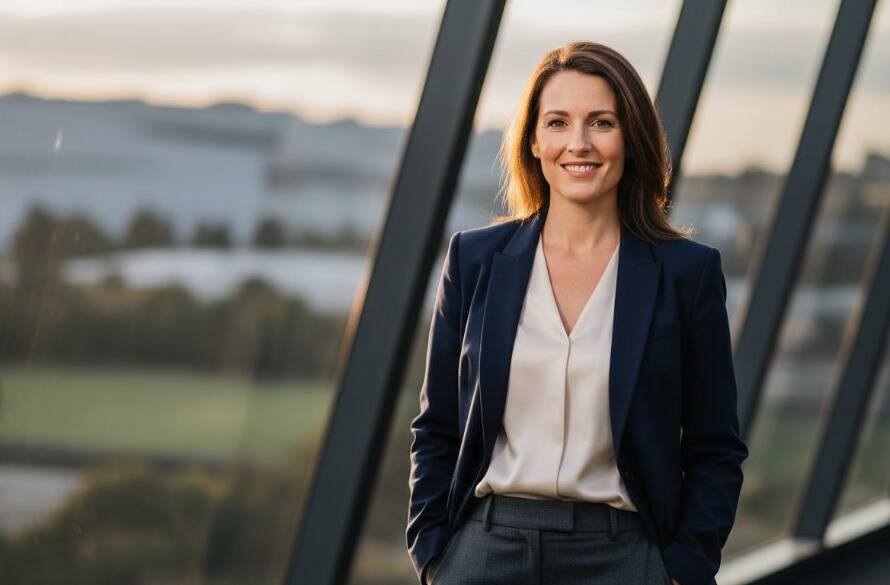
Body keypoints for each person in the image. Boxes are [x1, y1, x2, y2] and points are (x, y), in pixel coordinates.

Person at [406, 40, 748, 585]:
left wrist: (683, 568)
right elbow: (438, 426)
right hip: (487, 549)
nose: (579, 144)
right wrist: (433, 553)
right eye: (559, 122)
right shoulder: (474, 260)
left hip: (626, 555)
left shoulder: (687, 273)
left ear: (630, 139)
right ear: (534, 142)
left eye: (602, 122)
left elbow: (715, 446)